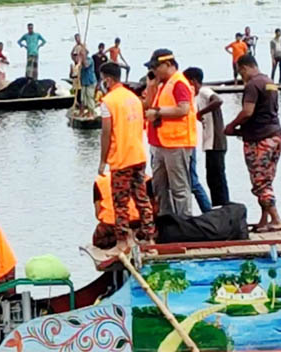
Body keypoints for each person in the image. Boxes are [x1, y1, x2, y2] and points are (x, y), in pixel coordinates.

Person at [97, 62, 155, 249]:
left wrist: (102, 160)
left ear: (107, 79)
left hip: (121, 158)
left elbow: (106, 132)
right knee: (141, 197)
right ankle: (149, 234)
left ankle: (122, 240)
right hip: (138, 154)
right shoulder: (134, 98)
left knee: (120, 201)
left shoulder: (108, 101)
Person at [224, 54, 281, 232]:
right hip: (275, 135)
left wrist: (231, 126)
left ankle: (276, 219)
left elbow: (248, 112)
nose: (242, 77)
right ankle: (264, 219)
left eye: (241, 73)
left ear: (244, 68)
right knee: (267, 179)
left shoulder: (252, 85)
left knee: (260, 182)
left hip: (260, 139)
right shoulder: (269, 81)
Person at [142, 49, 197, 217]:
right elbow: (148, 104)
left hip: (176, 143)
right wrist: (151, 86)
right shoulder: (162, 84)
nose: (153, 71)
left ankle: (185, 222)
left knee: (179, 187)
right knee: (160, 186)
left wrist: (158, 112)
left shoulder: (179, 83)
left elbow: (183, 109)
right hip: (160, 143)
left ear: (167, 65)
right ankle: (166, 221)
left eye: (156, 67)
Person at [184, 67, 229, 207]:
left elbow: (218, 100)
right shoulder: (198, 97)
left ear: (193, 81)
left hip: (215, 139)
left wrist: (200, 113)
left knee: (217, 176)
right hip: (209, 140)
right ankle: (218, 205)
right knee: (212, 176)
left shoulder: (204, 91)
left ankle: (223, 205)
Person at [79, 49, 97, 118]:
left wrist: (83, 58)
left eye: (82, 54)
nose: (80, 56)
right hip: (84, 82)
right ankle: (83, 112)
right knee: (83, 99)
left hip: (90, 82)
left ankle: (91, 113)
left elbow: (86, 65)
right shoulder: (80, 61)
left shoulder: (90, 60)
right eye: (80, 54)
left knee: (89, 97)